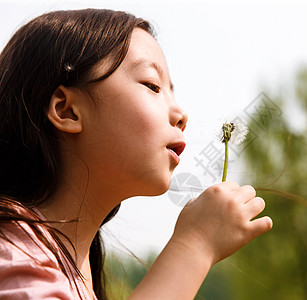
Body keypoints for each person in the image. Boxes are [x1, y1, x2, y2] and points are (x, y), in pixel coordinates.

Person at [0, 8, 272, 300]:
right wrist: (195, 245)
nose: (181, 114)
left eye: (171, 91)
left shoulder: (57, 265)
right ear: (67, 110)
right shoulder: (12, 254)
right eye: (152, 86)